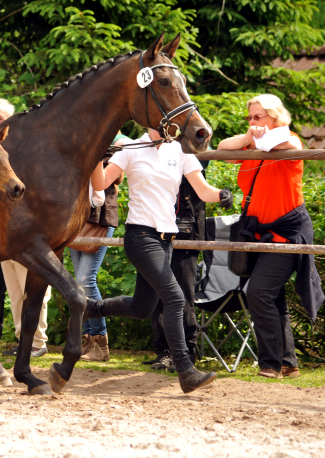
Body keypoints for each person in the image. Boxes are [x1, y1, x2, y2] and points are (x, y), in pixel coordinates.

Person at [88, 129, 234, 393]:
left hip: (167, 240)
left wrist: (222, 194)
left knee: (142, 308)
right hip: (140, 236)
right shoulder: (130, 149)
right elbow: (100, 183)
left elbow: (202, 190)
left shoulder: (180, 150)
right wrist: (97, 155)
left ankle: (88, 307)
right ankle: (185, 370)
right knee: (175, 299)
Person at [217, 94, 324, 379]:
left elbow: (288, 145)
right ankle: (288, 363)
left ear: (275, 118)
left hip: (288, 232)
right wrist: (247, 135)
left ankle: (270, 364)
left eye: (258, 117)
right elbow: (222, 148)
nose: (253, 123)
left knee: (259, 292)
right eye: (249, 117)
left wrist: (262, 138)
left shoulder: (290, 140)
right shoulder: (252, 143)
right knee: (273, 296)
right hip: (259, 231)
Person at [0, 98, 50, 358]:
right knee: (15, 291)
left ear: (12, 121)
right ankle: (24, 340)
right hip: (2, 234)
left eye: (1, 119)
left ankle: (38, 342)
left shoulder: (30, 149)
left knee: (35, 288)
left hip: (29, 232)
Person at [72, 133, 128, 362]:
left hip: (100, 217)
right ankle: (88, 338)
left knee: (86, 280)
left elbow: (118, 179)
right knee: (78, 283)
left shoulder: (120, 142)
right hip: (77, 216)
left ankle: (100, 342)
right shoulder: (82, 136)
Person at [147, 171, 207, 371]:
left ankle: (187, 353)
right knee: (155, 296)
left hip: (185, 235)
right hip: (153, 234)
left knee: (183, 296)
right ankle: (164, 351)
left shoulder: (188, 160)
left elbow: (202, 195)